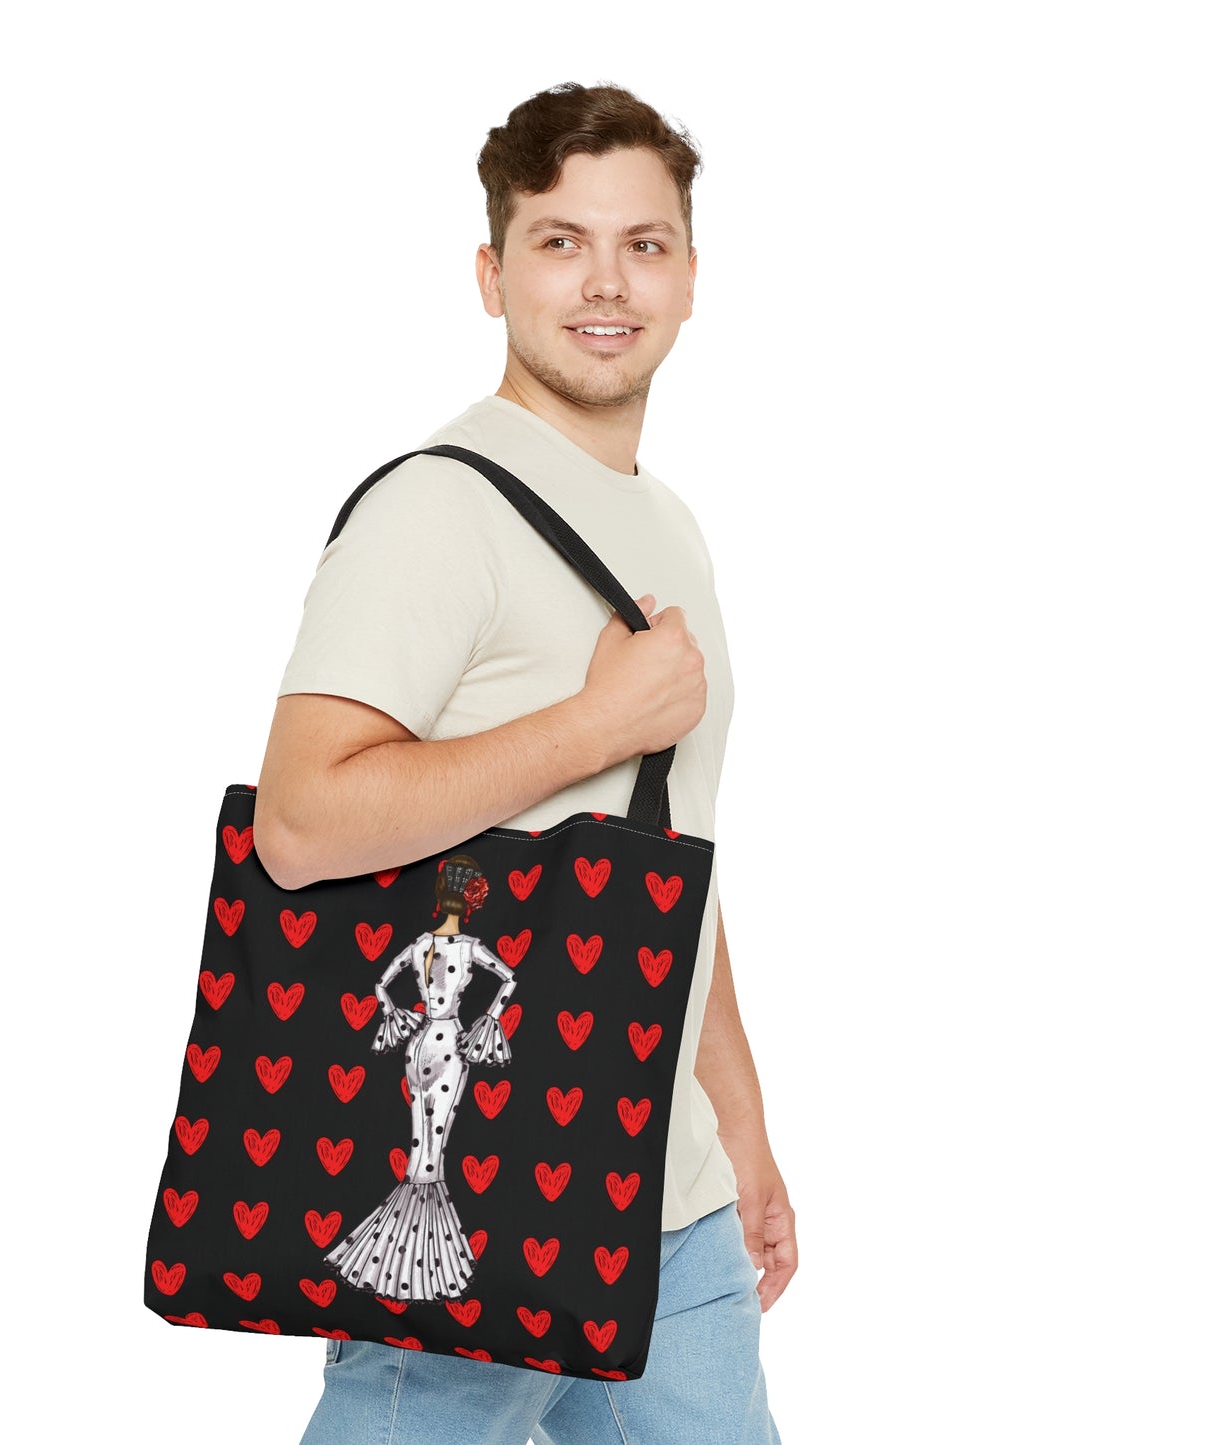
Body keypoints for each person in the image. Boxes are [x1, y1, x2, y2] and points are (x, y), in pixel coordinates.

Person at [255, 80, 793, 1445]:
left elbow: (668, 856)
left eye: (643, 243)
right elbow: (303, 825)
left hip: (672, 1219)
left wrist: (741, 1133)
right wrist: (588, 725)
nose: (605, 282)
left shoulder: (666, 523)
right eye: (560, 241)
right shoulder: (436, 509)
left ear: (687, 278)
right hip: (480, 1207)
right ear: (491, 275)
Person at [326, 855, 517, 1301]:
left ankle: (395, 1256)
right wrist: (489, 1019)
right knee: (435, 1147)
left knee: (421, 1142)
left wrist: (393, 1012)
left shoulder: (416, 946)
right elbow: (508, 978)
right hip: (450, 1040)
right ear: (468, 903)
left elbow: (380, 983)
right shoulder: (470, 947)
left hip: (418, 1043)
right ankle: (427, 1262)